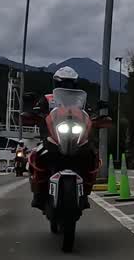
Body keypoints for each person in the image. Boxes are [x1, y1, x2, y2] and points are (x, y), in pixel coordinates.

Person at [25, 66, 103, 209]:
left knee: (92, 154)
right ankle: (38, 193)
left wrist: (98, 115)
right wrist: (32, 113)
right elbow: (36, 109)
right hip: (51, 136)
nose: (66, 86)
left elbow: (90, 113)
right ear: (56, 84)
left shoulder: (82, 102)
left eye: (70, 83)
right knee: (36, 155)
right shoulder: (48, 98)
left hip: (76, 137)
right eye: (63, 83)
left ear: (75, 84)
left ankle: (85, 191)